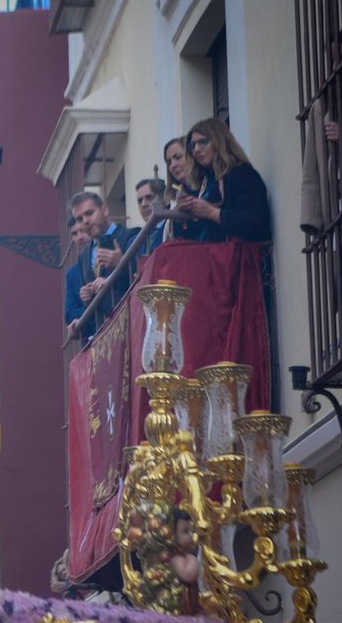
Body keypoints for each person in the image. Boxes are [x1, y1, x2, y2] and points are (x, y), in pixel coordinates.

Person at [137, 118, 271, 414]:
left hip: (233, 268)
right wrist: (188, 217)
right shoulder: (208, 182)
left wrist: (209, 212)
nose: (196, 150)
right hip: (214, 272)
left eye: (202, 142)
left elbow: (258, 223)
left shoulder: (242, 176)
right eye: (193, 145)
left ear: (219, 141)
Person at [64, 190, 135, 341]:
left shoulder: (131, 236)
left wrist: (120, 264)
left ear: (105, 210)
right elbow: (94, 305)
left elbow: (144, 274)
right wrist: (87, 297)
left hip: (133, 325)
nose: (86, 221)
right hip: (106, 339)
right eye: (80, 218)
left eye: (89, 213)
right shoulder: (84, 256)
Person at [132, 177, 168, 256]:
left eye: (149, 198)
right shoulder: (137, 239)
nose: (144, 204)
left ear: (165, 199)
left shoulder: (174, 226)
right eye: (140, 201)